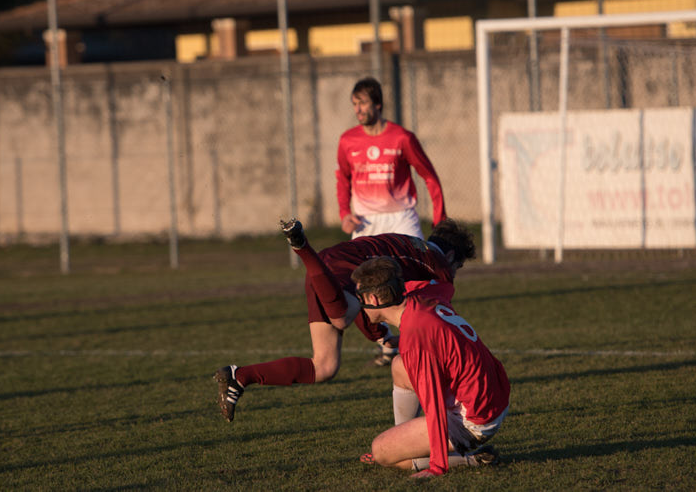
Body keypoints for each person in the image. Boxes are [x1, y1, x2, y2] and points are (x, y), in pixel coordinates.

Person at [213, 217, 476, 423]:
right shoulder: (440, 266)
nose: (455, 273)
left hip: (328, 266)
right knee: (340, 318)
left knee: (324, 366)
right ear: (452, 257)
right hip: (341, 268)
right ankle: (303, 249)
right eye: (459, 267)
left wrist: (382, 336)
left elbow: (368, 306)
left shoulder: (412, 245)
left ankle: (239, 376)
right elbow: (435, 320)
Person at [351, 256, 510, 479]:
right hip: (494, 395)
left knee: (381, 452)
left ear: (373, 299)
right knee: (399, 365)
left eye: (360, 297)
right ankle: (406, 442)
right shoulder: (421, 297)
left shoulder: (416, 338)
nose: (359, 304)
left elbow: (433, 405)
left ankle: (469, 458)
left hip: (476, 419)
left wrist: (437, 466)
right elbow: (444, 292)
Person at [336, 76, 446, 240]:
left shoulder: (403, 138)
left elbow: (430, 177)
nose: (357, 109)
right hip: (364, 222)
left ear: (377, 104)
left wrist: (439, 219)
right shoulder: (347, 141)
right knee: (358, 259)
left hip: (402, 219)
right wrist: (345, 214)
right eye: (354, 104)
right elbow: (343, 179)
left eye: (363, 103)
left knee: (418, 257)